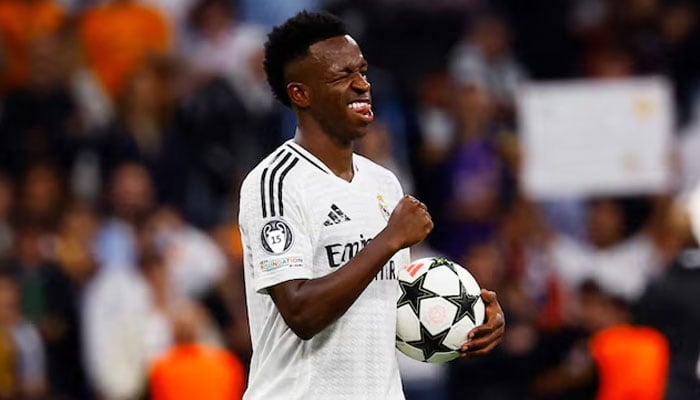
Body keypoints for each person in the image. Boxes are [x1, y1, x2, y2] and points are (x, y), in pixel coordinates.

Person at [237, 11, 505, 400]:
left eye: (362, 72)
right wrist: (389, 239)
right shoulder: (275, 183)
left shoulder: (383, 183)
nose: (362, 85)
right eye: (342, 76)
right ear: (300, 94)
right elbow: (301, 313)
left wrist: (468, 317)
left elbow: (380, 314)